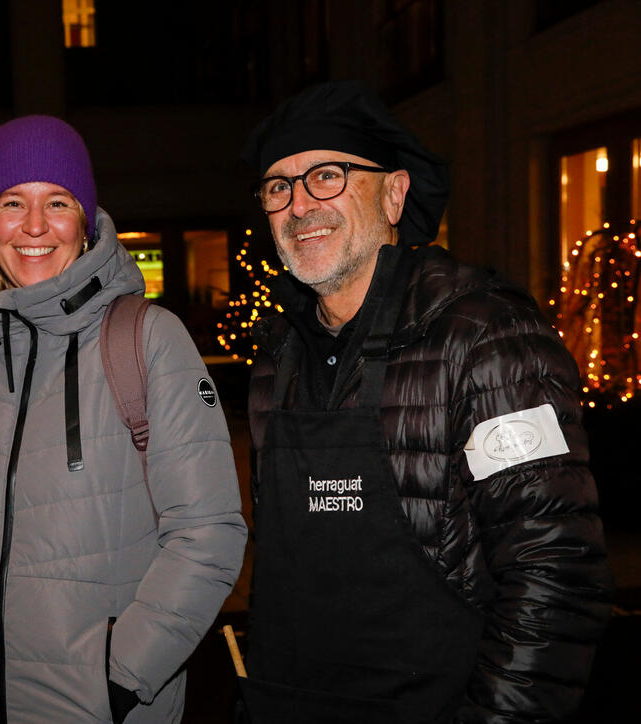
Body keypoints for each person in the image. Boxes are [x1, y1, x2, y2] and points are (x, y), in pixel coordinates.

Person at [240, 80, 612, 723]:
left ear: (394, 192)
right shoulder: (277, 360)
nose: (300, 205)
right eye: (279, 186)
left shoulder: (485, 337)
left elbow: (556, 575)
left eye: (326, 175)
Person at [0, 115, 247, 723]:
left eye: (59, 202)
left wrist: (122, 677)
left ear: (87, 219)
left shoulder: (147, 341)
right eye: (13, 202)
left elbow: (208, 532)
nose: (36, 226)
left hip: (103, 709)